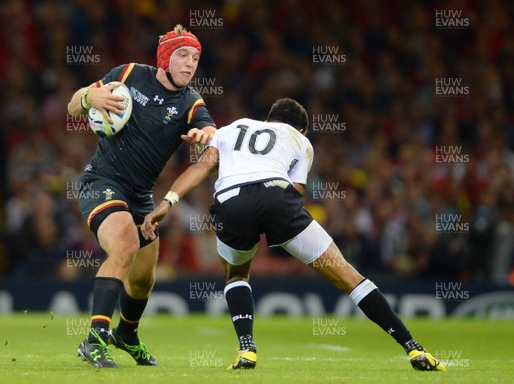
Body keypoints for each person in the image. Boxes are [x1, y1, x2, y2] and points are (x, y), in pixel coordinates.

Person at [141, 98, 446, 371]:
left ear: (269, 118)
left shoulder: (231, 128)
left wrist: (168, 200)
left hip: (232, 204)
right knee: (347, 275)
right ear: (300, 129)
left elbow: (205, 165)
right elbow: (295, 191)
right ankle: (412, 347)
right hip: (277, 197)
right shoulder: (301, 141)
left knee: (236, 275)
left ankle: (246, 349)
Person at [67, 24, 216, 368]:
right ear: (165, 57)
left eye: (195, 57)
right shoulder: (129, 74)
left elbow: (210, 130)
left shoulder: (191, 101)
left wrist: (203, 134)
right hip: (101, 181)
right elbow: (74, 104)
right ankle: (95, 339)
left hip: (141, 197)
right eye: (183, 55)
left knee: (143, 278)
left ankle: (127, 334)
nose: (190, 63)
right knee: (125, 245)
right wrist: (90, 97)